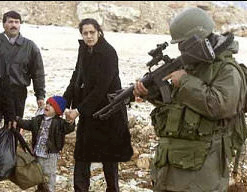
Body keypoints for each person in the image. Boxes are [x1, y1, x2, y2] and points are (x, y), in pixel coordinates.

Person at [133, 7, 247, 192]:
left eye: (184, 44)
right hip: (171, 165)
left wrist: (185, 81)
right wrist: (151, 94)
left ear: (199, 39)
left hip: (201, 173)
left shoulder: (227, 70)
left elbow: (220, 106)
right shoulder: (192, 64)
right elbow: (179, 106)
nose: (181, 49)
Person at [63, 18, 133, 192]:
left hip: (108, 112)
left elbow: (101, 87)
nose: (88, 36)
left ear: (99, 32)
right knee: (82, 155)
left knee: (109, 159)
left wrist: (78, 110)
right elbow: (76, 77)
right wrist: (62, 103)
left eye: (91, 32)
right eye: (85, 33)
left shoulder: (109, 53)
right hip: (88, 112)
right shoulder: (84, 50)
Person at [16, 96, 75, 192]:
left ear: (57, 111)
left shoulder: (59, 123)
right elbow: (28, 124)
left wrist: (70, 120)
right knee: (38, 174)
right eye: (47, 103)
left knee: (48, 175)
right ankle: (40, 189)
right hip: (38, 152)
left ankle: (49, 190)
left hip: (50, 155)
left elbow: (69, 128)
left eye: (51, 105)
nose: (47, 105)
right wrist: (17, 120)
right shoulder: (38, 119)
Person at [0, 10, 46, 125]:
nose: (14, 25)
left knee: (13, 126)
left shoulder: (30, 46)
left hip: (17, 93)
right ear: (3, 24)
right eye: (10, 22)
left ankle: (11, 143)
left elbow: (38, 72)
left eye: (17, 22)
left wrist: (40, 95)